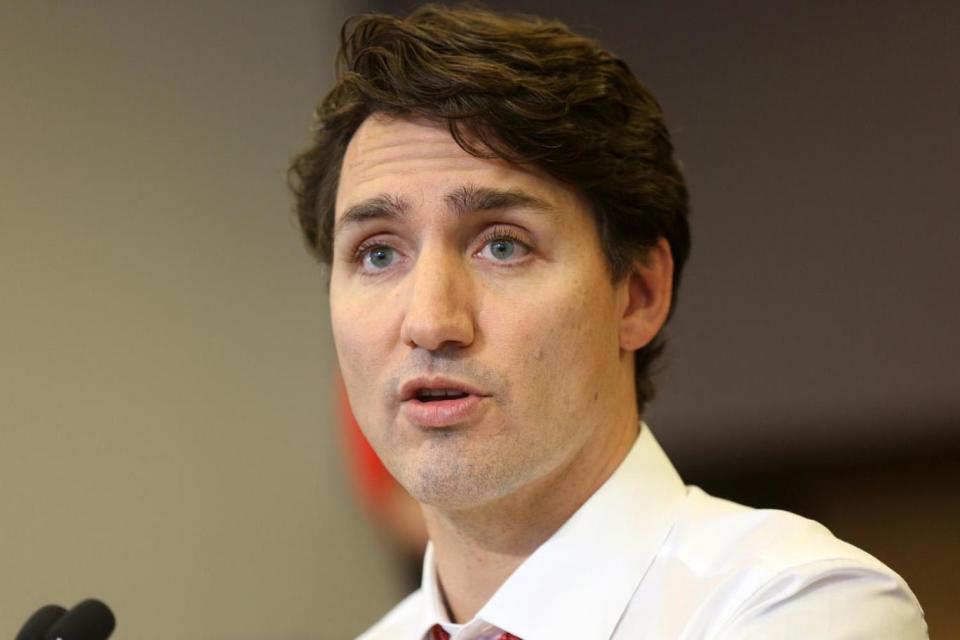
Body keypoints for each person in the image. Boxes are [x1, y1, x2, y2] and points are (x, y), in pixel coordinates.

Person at [289, 5, 928, 639]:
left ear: (639, 294)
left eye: (503, 244)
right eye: (377, 254)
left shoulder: (806, 606)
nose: (430, 321)